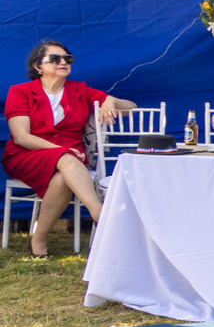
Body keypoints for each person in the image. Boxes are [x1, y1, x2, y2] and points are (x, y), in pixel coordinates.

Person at [2, 40, 138, 258]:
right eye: (55, 59)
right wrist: (59, 149)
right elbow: (21, 137)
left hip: (69, 161)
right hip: (26, 156)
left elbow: (131, 107)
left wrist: (110, 101)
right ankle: (101, 215)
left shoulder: (79, 90)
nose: (63, 62)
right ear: (38, 66)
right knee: (65, 157)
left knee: (62, 178)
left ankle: (38, 239)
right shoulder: (20, 92)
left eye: (68, 58)